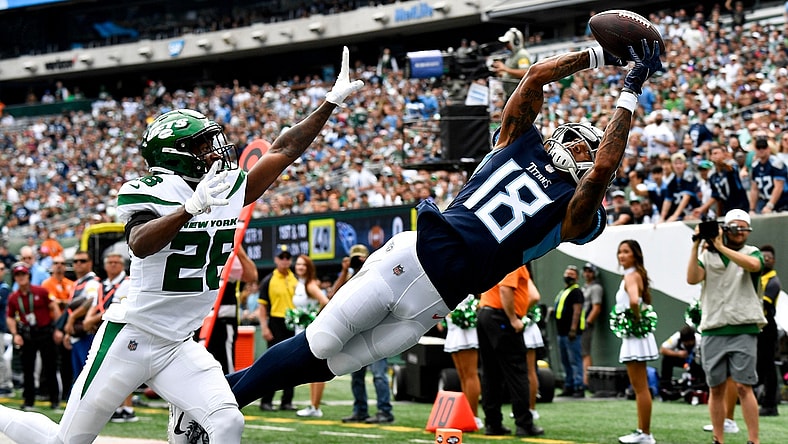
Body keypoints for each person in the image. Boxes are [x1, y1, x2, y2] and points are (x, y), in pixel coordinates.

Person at [220, 40, 663, 418]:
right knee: (319, 341)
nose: (570, 144)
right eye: (571, 136)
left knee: (331, 363)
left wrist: (621, 80)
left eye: (581, 143)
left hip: (435, 302)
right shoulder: (516, 143)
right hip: (415, 258)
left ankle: (218, 391)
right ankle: (218, 403)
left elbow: (603, 164)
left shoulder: (573, 210)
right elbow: (535, 76)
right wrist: (608, 62)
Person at [0, 46, 363, 444]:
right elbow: (139, 243)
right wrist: (190, 208)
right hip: (131, 336)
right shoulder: (148, 189)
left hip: (178, 342)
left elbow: (282, 149)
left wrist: (328, 104)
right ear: (176, 155)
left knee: (227, 423)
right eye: (202, 146)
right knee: (65, 442)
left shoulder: (225, 189)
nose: (213, 152)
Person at [687, 209, 766, 444]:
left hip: (744, 326)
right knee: (716, 388)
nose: (740, 232)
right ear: (726, 228)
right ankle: (718, 438)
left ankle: (754, 440)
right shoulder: (706, 255)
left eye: (744, 227)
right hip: (713, 326)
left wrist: (721, 247)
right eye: (735, 227)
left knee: (744, 386)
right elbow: (692, 278)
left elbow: (753, 265)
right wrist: (695, 244)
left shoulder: (752, 252)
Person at [478, 265, 544, 437]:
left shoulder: (498, 258)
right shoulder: (514, 261)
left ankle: (492, 423)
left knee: (490, 374)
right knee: (517, 372)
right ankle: (524, 424)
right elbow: (506, 289)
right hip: (501, 317)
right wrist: (514, 318)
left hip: (485, 314)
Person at [335, 245, 395, 425]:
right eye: (356, 258)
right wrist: (345, 271)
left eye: (361, 258)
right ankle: (360, 410)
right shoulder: (349, 277)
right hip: (356, 332)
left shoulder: (377, 271)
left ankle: (385, 411)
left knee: (379, 374)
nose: (359, 261)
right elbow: (333, 296)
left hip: (377, 332)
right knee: (356, 375)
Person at [615, 240, 658, 444]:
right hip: (636, 336)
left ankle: (646, 433)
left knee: (640, 387)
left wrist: (634, 320)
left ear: (635, 255)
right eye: (619, 252)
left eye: (626, 252)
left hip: (635, 336)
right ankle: (643, 431)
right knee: (640, 387)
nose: (621, 256)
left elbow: (634, 301)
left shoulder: (631, 275)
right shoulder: (634, 275)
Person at [4, 263, 61, 411]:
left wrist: (58, 328)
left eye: (23, 274)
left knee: (50, 366)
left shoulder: (41, 291)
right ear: (15, 278)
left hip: (45, 332)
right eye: (18, 275)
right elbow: (10, 317)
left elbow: (53, 306)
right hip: (27, 334)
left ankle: (54, 400)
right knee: (27, 369)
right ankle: (28, 401)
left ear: (28, 275)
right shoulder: (14, 297)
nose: (21, 277)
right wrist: (15, 334)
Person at [200, 246, 258, 375]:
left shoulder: (228, 251)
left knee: (223, 367)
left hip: (220, 316)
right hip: (199, 316)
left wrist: (238, 249)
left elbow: (251, 276)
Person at [256, 245, 298, 412]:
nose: (285, 260)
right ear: (276, 259)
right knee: (274, 363)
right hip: (276, 322)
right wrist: (264, 327)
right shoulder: (269, 280)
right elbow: (262, 308)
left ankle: (287, 400)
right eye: (282, 257)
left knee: (293, 363)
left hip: (292, 322)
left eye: (288, 257)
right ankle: (266, 400)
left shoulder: (295, 279)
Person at [291, 254, 329, 418]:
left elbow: (325, 302)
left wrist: (314, 318)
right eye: (298, 264)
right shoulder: (298, 284)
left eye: (303, 265)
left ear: (308, 267)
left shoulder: (311, 285)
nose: (300, 267)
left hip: (310, 332)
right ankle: (313, 405)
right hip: (300, 331)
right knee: (311, 369)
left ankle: (315, 406)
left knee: (317, 367)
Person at [439, 294, 482, 429]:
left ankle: (475, 417)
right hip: (454, 324)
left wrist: (471, 309)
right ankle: (468, 415)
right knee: (463, 375)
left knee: (470, 374)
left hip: (465, 324)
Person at [62, 250, 102, 380]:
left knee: (87, 378)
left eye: (82, 261)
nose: (78, 264)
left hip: (87, 335)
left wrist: (72, 318)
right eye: (75, 261)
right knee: (78, 378)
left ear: (90, 263)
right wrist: (69, 333)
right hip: (77, 335)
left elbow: (92, 301)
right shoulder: (78, 283)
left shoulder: (92, 282)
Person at [40, 255, 74, 402]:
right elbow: (53, 304)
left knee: (67, 362)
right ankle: (46, 391)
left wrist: (62, 302)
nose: (59, 266)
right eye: (56, 263)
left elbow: (71, 303)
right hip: (52, 326)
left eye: (62, 263)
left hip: (68, 326)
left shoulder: (70, 283)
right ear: (52, 266)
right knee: (49, 362)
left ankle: (67, 392)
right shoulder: (47, 284)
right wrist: (64, 303)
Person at [755, 244, 780, 417]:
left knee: (768, 365)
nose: (765, 260)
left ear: (773, 261)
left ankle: (771, 404)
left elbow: (762, 304)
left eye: (768, 258)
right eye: (762, 257)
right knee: (760, 365)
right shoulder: (758, 277)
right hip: (757, 325)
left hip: (767, 326)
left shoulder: (773, 281)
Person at [553, 265, 585, 397]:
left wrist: (573, 329)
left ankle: (579, 387)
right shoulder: (564, 291)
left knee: (574, 360)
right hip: (561, 332)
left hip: (571, 333)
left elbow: (577, 311)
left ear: (577, 277)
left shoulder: (576, 292)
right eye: (567, 273)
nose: (568, 276)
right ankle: (569, 385)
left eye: (572, 274)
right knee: (565, 361)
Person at [658, 325, 703, 399]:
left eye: (690, 342)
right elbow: (662, 350)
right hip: (682, 359)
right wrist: (678, 354)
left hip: (696, 363)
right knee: (667, 359)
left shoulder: (700, 340)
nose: (688, 344)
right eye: (686, 342)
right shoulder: (676, 337)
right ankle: (666, 387)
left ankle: (698, 387)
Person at [748, 136, 788, 214]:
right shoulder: (755, 166)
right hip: (765, 200)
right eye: (758, 148)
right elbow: (754, 189)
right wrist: (752, 209)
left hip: (783, 202)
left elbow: (779, 187)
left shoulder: (776, 163)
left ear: (768, 149)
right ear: (755, 150)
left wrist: (769, 206)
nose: (761, 150)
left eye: (764, 147)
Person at [492, 27, 532, 100]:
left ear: (516, 42)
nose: (506, 45)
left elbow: (525, 73)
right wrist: (502, 73)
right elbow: (511, 74)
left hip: (519, 96)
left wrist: (505, 69)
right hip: (511, 95)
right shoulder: (512, 55)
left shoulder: (522, 54)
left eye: (507, 43)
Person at [581, 262, 604, 390]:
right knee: (581, 353)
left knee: (585, 353)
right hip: (579, 324)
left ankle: (587, 381)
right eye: (585, 271)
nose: (587, 273)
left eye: (590, 271)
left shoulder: (596, 288)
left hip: (586, 325)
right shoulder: (585, 287)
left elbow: (597, 308)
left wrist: (587, 322)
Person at [0, 262, 13, 395]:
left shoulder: (4, 288)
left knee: (1, 357)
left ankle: (5, 384)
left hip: (0, 327)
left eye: (2, 269)